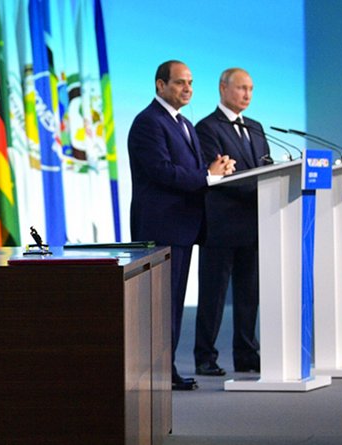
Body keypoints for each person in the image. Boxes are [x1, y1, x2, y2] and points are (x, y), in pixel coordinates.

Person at [127, 60, 236, 391]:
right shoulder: (148, 122)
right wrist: (207, 176)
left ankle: (166, 368)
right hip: (160, 228)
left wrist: (212, 168)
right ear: (160, 85)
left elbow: (190, 168)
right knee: (160, 305)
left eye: (190, 83)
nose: (187, 88)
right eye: (179, 83)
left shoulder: (184, 123)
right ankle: (157, 371)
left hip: (184, 227)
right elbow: (162, 171)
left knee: (172, 302)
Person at [193, 68, 271, 376]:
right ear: (222, 89)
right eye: (241, 88)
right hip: (222, 225)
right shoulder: (207, 128)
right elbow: (221, 175)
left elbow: (263, 167)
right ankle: (205, 356)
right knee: (213, 296)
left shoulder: (256, 127)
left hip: (254, 224)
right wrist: (261, 189)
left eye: (251, 88)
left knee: (249, 295)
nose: (247, 94)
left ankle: (247, 354)